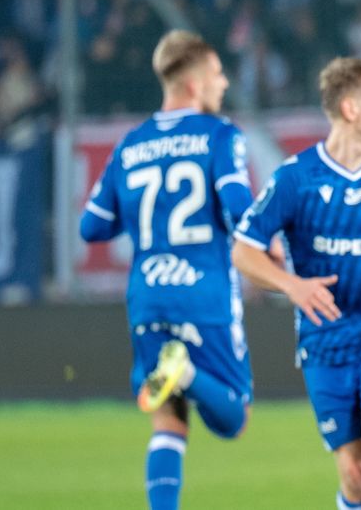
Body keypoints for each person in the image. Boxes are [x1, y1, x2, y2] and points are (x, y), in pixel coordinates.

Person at [231, 57, 361, 510]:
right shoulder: (295, 178)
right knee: (356, 472)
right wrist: (291, 285)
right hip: (326, 338)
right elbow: (243, 251)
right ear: (350, 109)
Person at [79, 30, 254, 510]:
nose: (223, 84)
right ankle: (187, 373)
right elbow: (239, 206)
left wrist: (142, 218)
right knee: (233, 417)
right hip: (204, 291)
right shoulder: (220, 134)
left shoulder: (130, 145)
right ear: (194, 84)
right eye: (217, 75)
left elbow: (91, 227)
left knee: (169, 423)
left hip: (148, 295)